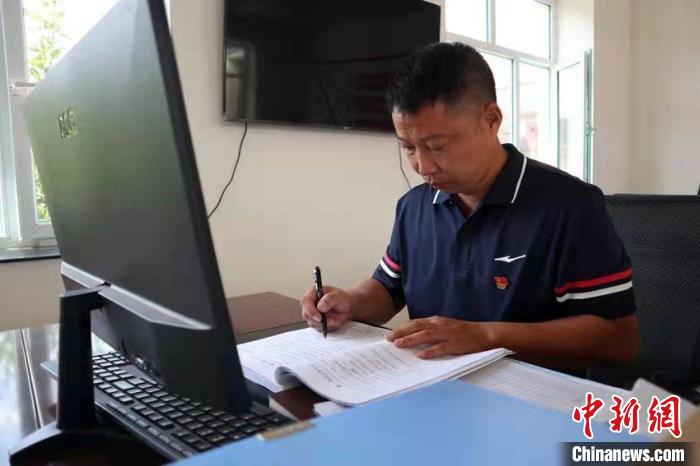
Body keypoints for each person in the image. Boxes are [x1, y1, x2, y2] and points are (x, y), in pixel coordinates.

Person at [300, 43, 639, 369]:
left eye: (437, 146)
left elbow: (619, 339)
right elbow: (389, 289)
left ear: (491, 119)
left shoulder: (570, 207)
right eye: (408, 148)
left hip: (530, 394)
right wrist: (350, 302)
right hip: (432, 386)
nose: (422, 167)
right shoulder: (413, 207)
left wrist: (485, 336)